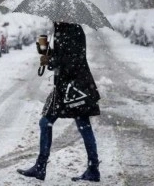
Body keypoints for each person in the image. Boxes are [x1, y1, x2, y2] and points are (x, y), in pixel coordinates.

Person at [17, 22, 101, 182]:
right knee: (55, 123)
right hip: (68, 87)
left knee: (78, 124)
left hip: (74, 88)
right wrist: (46, 51)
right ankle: (42, 167)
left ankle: (92, 168)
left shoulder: (72, 30)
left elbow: (72, 61)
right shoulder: (63, 28)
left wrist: (50, 60)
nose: (51, 17)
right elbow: (63, 56)